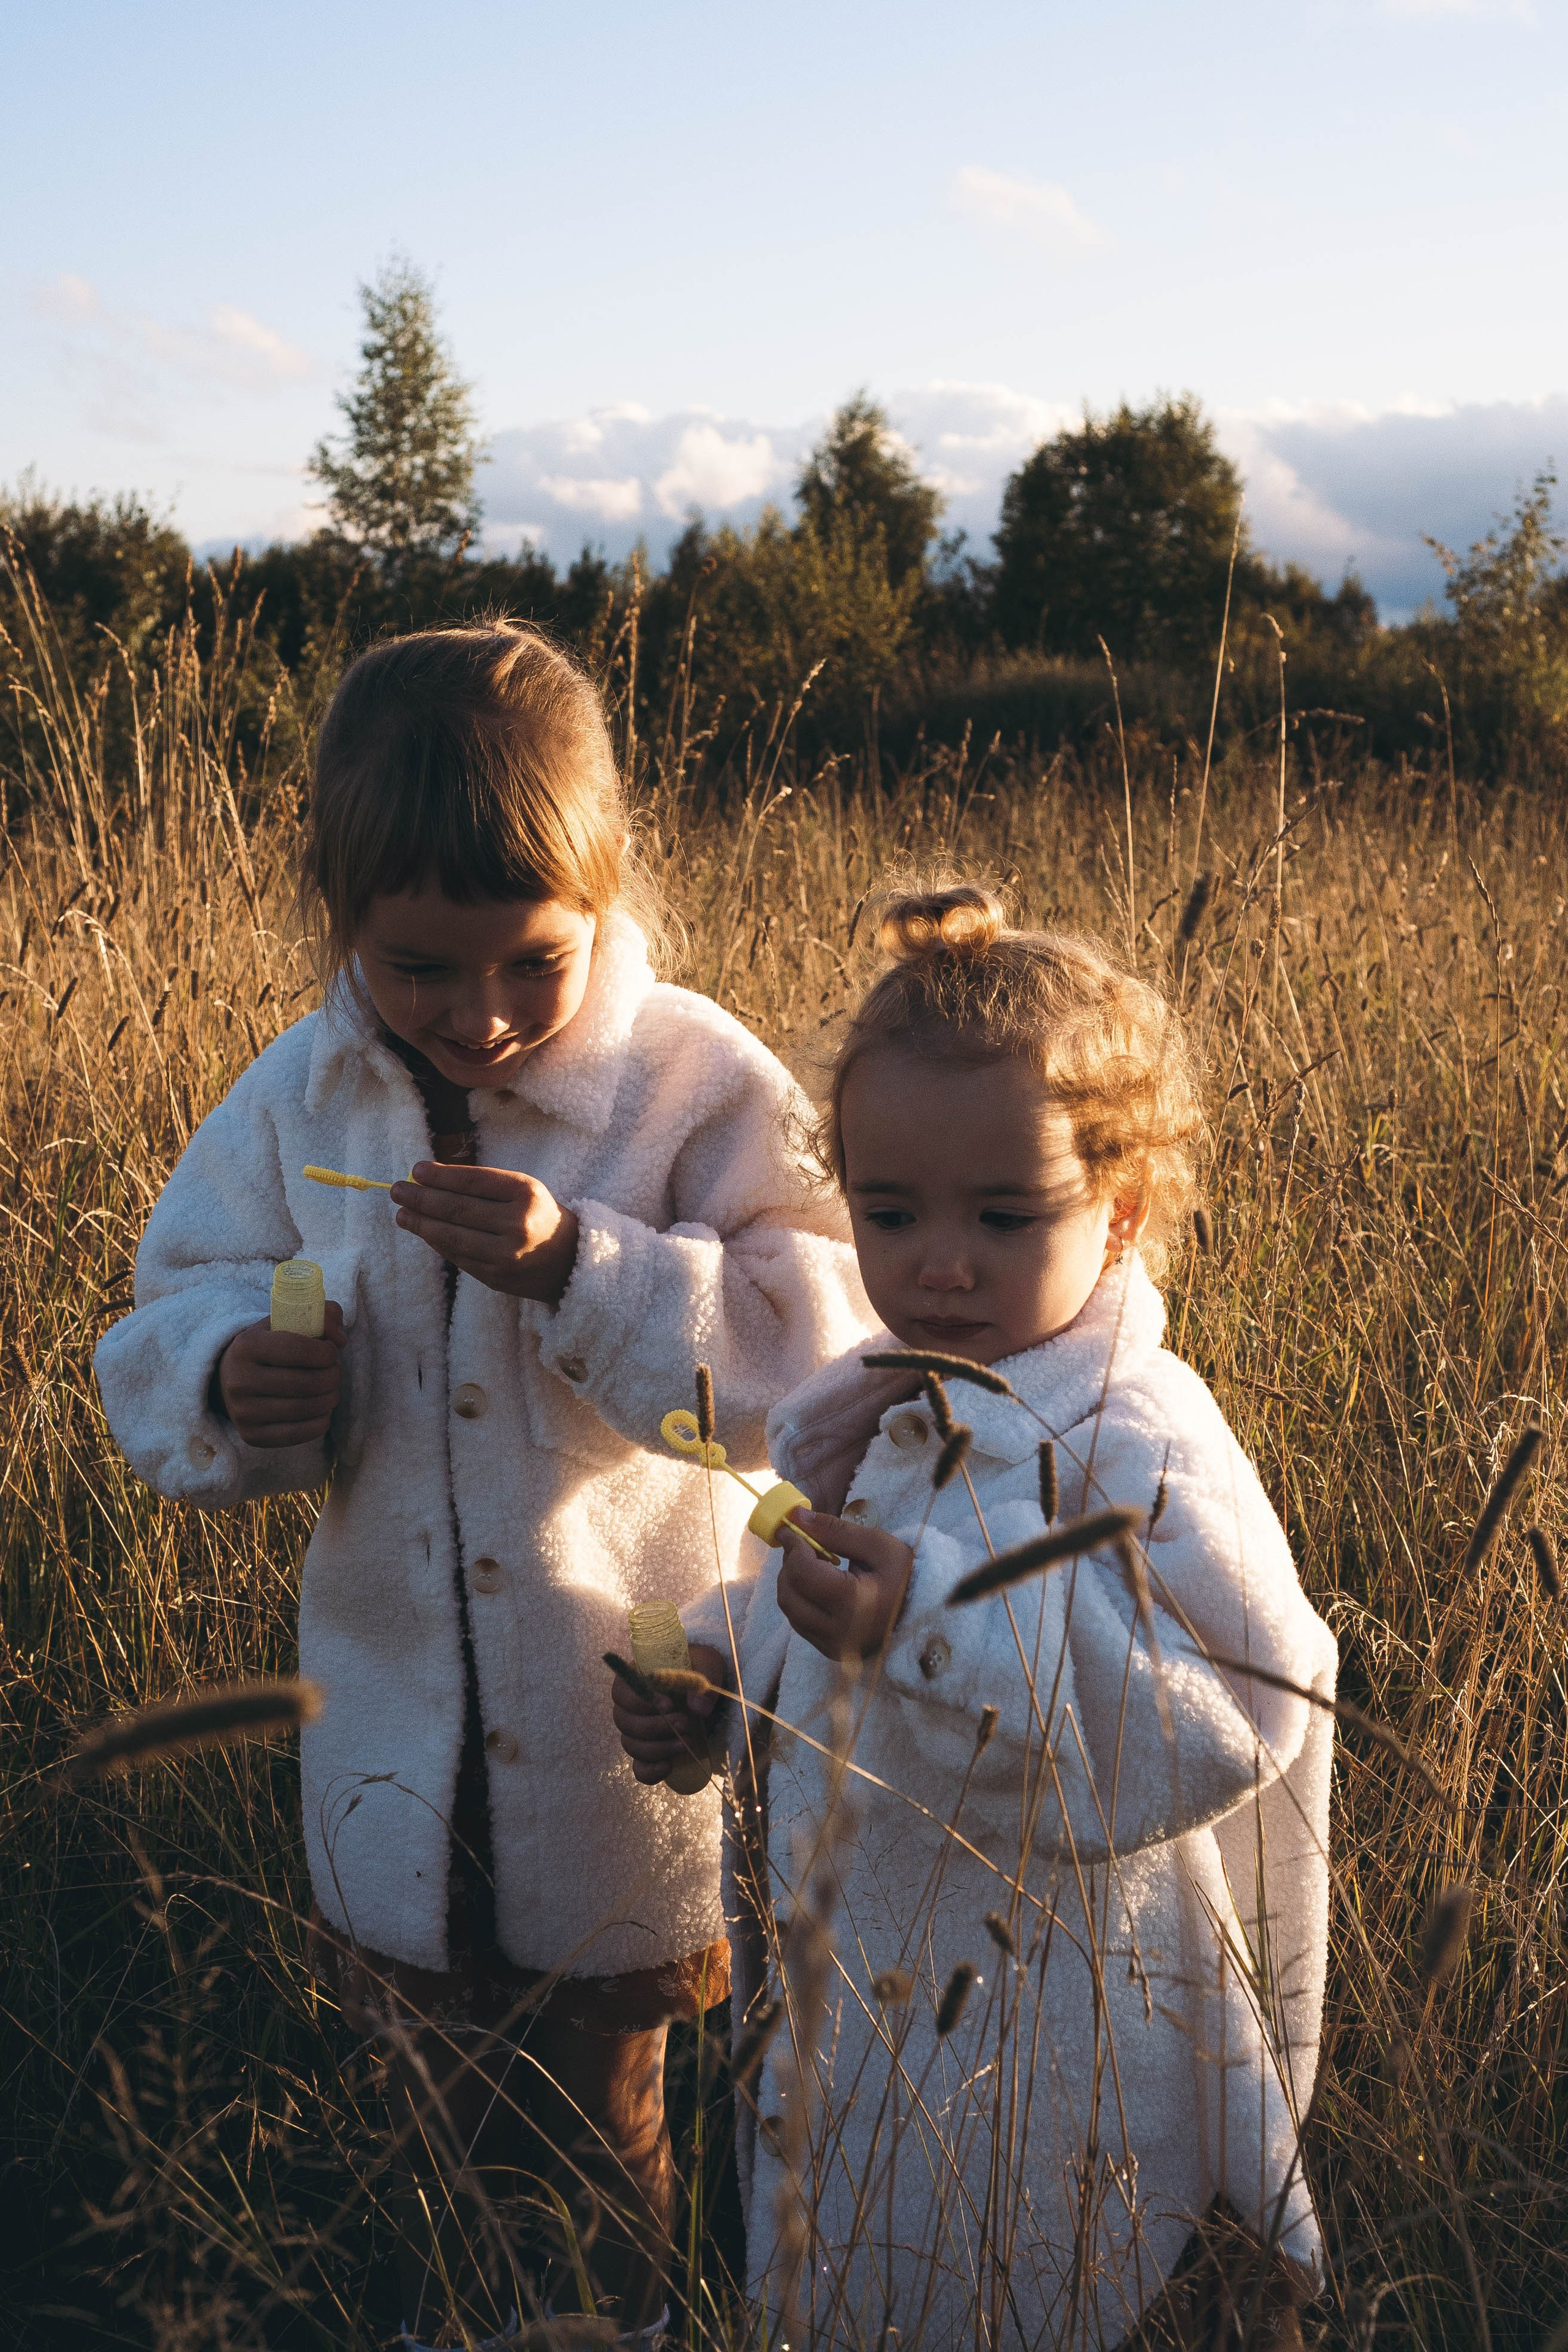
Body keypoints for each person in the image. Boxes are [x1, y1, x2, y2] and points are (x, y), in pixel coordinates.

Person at [94, 624, 873, 2351]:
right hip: (386, 1723)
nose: (483, 1014)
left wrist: (585, 1272)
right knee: (434, 2117)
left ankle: (619, 2330)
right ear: (340, 921)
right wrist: (237, 1372)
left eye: (532, 958)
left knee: (604, 2121)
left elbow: (820, 1358)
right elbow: (171, 1300)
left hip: (621, 1723)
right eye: (420, 966)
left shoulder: (688, 1080)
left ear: (605, 891)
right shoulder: (308, 1092)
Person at [614, 883, 1336, 2350]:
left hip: (1058, 2031)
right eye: (888, 1213)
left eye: (1003, 1217)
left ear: (1118, 1205)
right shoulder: (893, 1401)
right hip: (866, 2001)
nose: (938, 1261)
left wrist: (931, 1626)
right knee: (865, 2264)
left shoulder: (1138, 1438)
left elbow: (1251, 1701)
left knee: (1025, 2287)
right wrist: (723, 1672)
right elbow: (823, 1612)